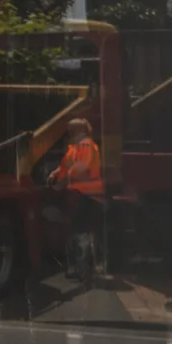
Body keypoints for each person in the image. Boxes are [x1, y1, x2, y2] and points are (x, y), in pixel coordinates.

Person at [48, 118, 104, 278]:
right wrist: (55, 173)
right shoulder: (75, 147)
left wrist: (62, 179)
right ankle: (80, 268)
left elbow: (81, 167)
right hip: (78, 193)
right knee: (76, 231)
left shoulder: (85, 145)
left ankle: (83, 269)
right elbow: (65, 166)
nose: (68, 134)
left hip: (86, 195)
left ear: (79, 131)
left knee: (80, 231)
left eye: (70, 131)